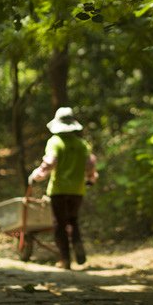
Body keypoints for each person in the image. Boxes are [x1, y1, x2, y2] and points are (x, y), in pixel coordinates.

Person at [28, 106, 98, 269]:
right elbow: (90, 165)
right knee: (73, 221)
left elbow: (50, 163)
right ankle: (78, 246)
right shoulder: (82, 144)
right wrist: (91, 178)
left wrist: (37, 175)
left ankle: (65, 259)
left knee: (59, 224)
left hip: (59, 190)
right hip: (77, 190)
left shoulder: (55, 141)